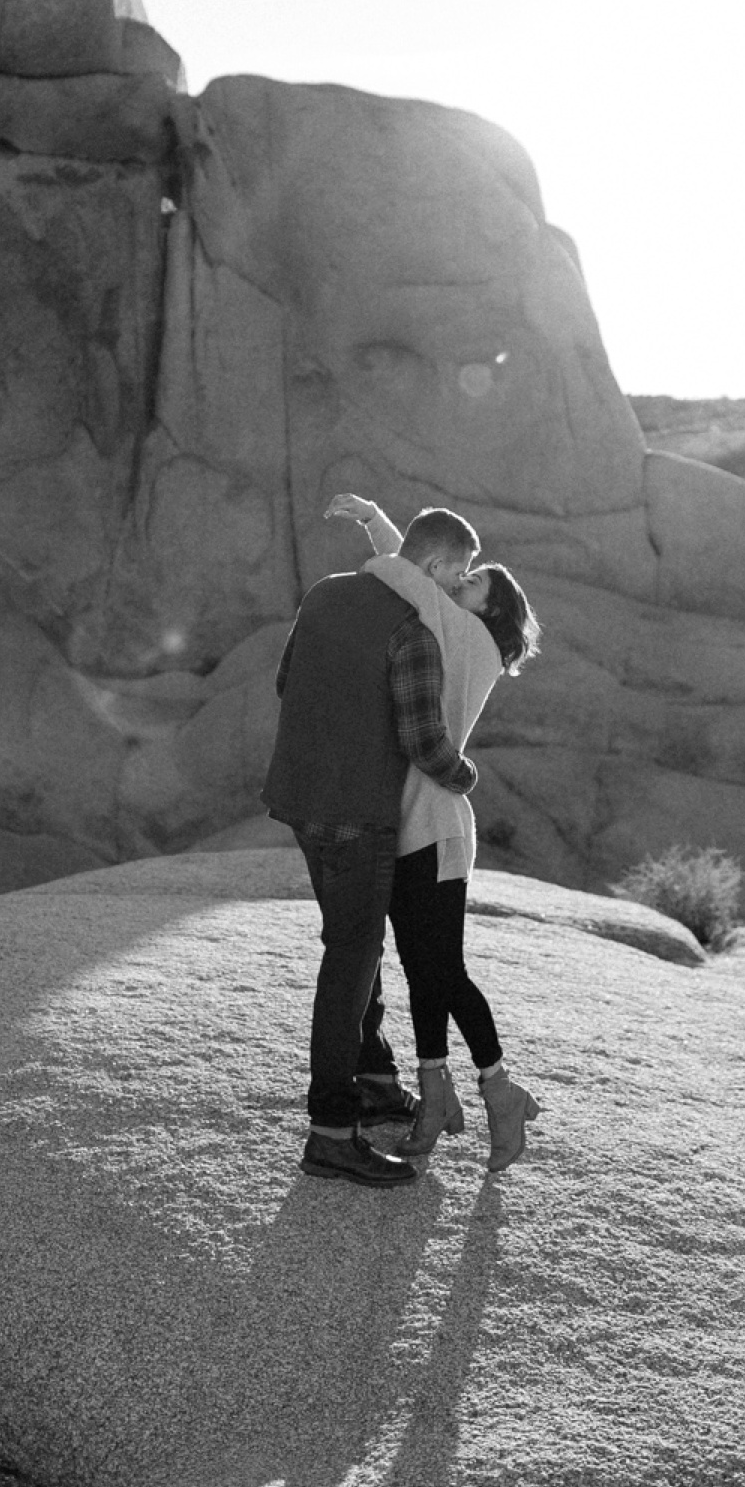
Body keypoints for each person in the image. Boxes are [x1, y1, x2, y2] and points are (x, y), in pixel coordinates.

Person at [261, 505, 483, 1189]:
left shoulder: (325, 592)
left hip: (302, 803)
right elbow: (424, 745)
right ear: (439, 567)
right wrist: (466, 777)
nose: (462, 584)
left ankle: (376, 1081)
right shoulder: (412, 633)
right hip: (359, 814)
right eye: (462, 573)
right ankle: (331, 1133)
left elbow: (284, 681)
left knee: (355, 941)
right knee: (351, 957)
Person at [327, 492, 543, 1174]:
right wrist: (378, 524)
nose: (458, 583)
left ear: (490, 608)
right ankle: (434, 1093)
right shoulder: (451, 627)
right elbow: (422, 569)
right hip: (410, 825)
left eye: (471, 581)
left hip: (441, 831)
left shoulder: (469, 639)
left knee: (444, 971)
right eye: (462, 574)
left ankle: (499, 1089)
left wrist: (371, 523)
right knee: (424, 973)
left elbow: (411, 571)